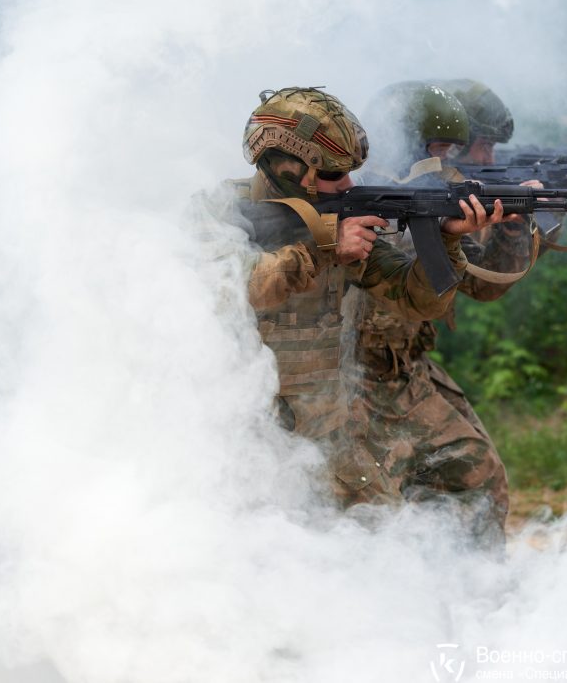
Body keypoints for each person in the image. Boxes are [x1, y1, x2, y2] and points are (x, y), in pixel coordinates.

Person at [200, 86, 508, 507]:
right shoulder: (217, 213)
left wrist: (447, 241)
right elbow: (227, 290)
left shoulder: (338, 220)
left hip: (327, 434)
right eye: (332, 174)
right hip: (238, 432)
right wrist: (325, 248)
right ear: (288, 167)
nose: (348, 184)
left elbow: (416, 300)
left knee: (385, 537)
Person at [343, 81, 537, 543]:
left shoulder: (427, 205)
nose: (451, 164)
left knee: (475, 476)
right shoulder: (351, 206)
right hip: (349, 382)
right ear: (407, 144)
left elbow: (478, 282)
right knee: (367, 520)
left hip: (406, 371)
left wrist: (512, 226)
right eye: (440, 152)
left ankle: (470, 595)